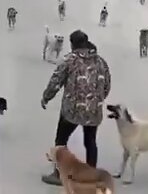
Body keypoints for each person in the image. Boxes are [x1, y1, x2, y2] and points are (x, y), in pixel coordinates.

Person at [40, 30, 111, 186]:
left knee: (61, 140)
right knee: (90, 142)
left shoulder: (69, 60)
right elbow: (106, 85)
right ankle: (92, 175)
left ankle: (59, 174)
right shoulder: (100, 62)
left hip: (72, 109)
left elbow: (56, 82)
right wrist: (96, 101)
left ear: (72, 44)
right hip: (93, 110)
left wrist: (46, 97)